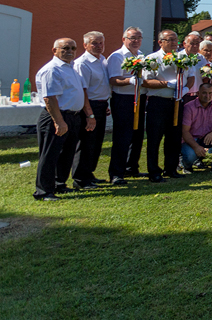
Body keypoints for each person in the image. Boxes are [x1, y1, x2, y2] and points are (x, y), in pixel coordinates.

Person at [33, 38, 94, 200]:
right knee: (50, 155)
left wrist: (88, 115)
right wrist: (59, 121)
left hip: (72, 116)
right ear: (54, 50)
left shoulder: (71, 68)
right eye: (65, 48)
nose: (70, 51)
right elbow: (49, 98)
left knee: (66, 153)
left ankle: (59, 184)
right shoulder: (52, 69)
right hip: (57, 116)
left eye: (73, 48)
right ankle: (43, 191)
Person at [143, 30, 195, 182]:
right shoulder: (152, 59)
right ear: (160, 42)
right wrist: (166, 84)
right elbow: (146, 81)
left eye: (176, 40)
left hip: (177, 101)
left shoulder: (183, 57)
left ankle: (171, 168)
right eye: (170, 40)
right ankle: (153, 171)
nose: (174, 43)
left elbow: (190, 76)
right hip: (158, 101)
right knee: (155, 138)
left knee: (174, 136)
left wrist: (186, 88)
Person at [106, 27, 148, 184]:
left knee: (137, 135)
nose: (136, 41)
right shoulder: (117, 56)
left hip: (140, 96)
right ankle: (116, 172)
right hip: (123, 99)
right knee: (122, 136)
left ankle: (132, 167)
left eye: (139, 38)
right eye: (132, 38)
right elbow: (113, 79)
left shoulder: (141, 55)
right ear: (124, 39)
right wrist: (129, 80)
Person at [72, 30, 110, 189]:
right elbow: (84, 91)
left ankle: (89, 174)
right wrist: (90, 114)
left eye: (101, 42)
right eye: (94, 43)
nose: (99, 46)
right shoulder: (82, 63)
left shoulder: (102, 60)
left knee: (96, 143)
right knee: (86, 143)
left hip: (101, 104)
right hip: (89, 106)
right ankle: (80, 179)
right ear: (85, 45)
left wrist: (105, 104)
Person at [180, 83, 212, 175]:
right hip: (191, 139)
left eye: (210, 93)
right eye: (204, 93)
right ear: (198, 93)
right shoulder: (189, 107)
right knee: (190, 156)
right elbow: (185, 131)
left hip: (208, 137)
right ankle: (186, 166)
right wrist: (196, 147)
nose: (207, 96)